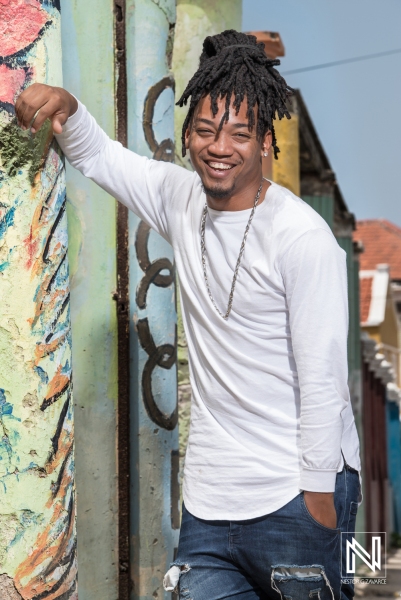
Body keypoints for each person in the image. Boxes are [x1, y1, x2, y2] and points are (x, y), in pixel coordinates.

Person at [16, 29, 361, 600]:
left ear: (265, 144)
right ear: (187, 135)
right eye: (204, 130)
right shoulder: (182, 201)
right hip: (208, 507)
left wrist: (321, 497)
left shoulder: (304, 239)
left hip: (298, 496)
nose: (219, 147)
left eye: (239, 134)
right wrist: (67, 106)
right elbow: (101, 156)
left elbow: (324, 379)